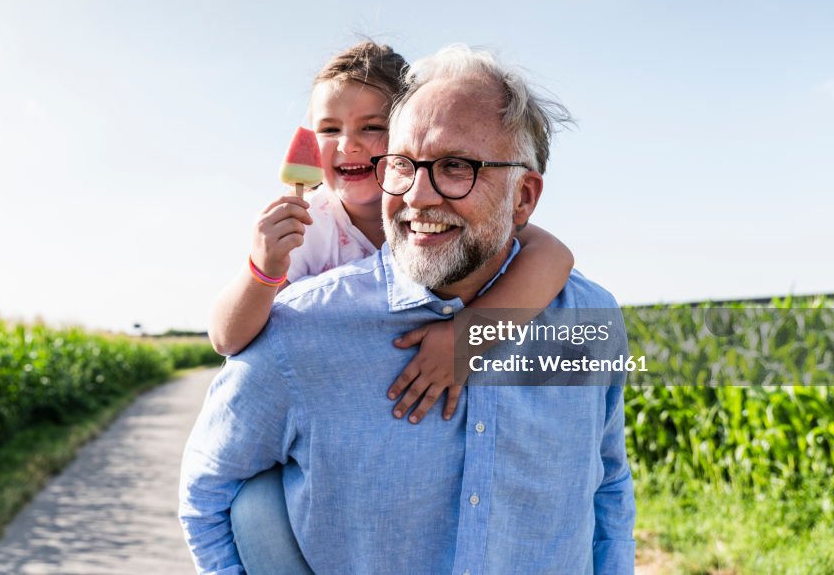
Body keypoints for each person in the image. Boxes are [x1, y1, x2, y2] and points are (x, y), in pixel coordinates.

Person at [180, 45, 636, 574]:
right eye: (404, 165)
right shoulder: (301, 312)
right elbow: (209, 491)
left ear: (524, 198)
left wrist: (471, 332)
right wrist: (262, 270)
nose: (419, 195)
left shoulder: (586, 321)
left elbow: (607, 489)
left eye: (455, 166)